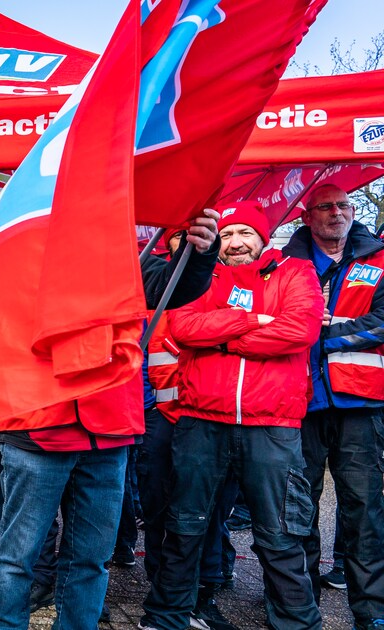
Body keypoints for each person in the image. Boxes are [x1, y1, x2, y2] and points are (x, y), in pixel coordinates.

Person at [0, 208, 220, 630]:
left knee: (90, 559)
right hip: (38, 425)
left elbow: (171, 287)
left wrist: (199, 252)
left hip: (108, 429)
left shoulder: (126, 256)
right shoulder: (21, 244)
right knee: (18, 555)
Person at [141, 201, 324, 630]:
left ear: (263, 238)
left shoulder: (294, 271)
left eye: (246, 233)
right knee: (184, 526)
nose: (236, 243)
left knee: (279, 533)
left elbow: (300, 330)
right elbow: (184, 328)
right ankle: (166, 615)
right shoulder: (201, 275)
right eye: (227, 234)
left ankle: (296, 621)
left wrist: (223, 336)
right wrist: (255, 320)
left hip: (272, 425)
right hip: (201, 420)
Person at [282, 184, 384, 629]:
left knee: (364, 511)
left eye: (345, 205)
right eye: (326, 206)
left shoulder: (379, 259)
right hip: (299, 402)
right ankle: (299, 609)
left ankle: (372, 613)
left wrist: (331, 328)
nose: (337, 213)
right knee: (298, 508)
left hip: (360, 403)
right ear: (307, 216)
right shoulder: (284, 264)